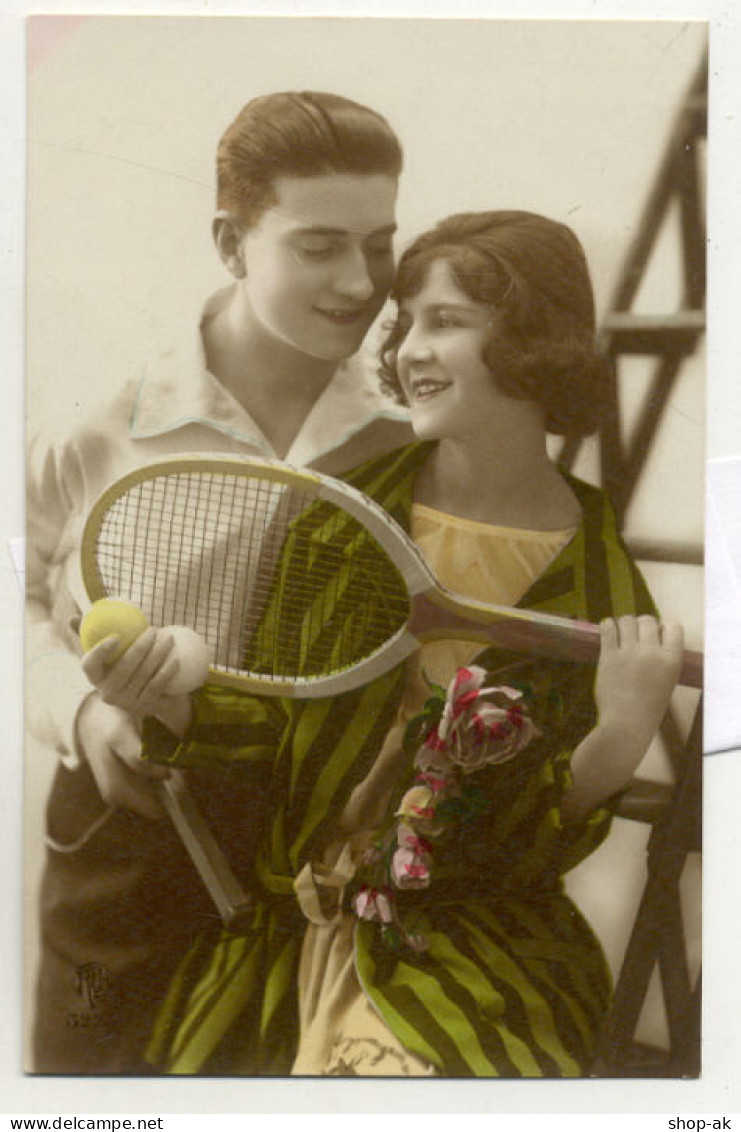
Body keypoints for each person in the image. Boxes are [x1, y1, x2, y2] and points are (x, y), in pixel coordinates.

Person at [81, 210, 684, 1077]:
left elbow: (517, 853)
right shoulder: (338, 524)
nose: (410, 350)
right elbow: (266, 735)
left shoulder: (596, 583)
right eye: (409, 324)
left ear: (531, 342)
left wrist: (613, 745)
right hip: (296, 937)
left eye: (447, 323)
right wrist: (169, 700)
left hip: (473, 953)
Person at [26, 90, 413, 1074]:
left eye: (381, 244)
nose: (358, 282)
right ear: (231, 242)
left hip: (315, 849)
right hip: (127, 828)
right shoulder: (104, 412)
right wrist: (85, 715)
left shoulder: (406, 431)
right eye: (319, 245)